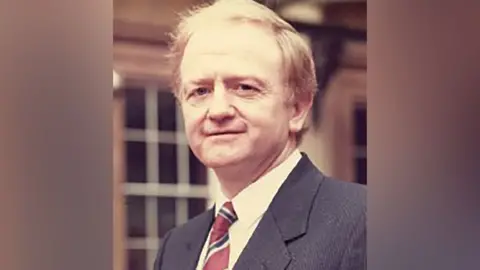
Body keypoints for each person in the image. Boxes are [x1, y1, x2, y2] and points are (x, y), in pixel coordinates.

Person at [154, 0, 366, 269]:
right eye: (200, 91)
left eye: (244, 87)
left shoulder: (365, 224)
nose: (218, 110)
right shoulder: (176, 247)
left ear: (298, 108)